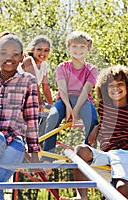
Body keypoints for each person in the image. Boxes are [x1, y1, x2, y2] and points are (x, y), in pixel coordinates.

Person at [61, 65, 128, 200]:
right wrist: (97, 127)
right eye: (111, 85)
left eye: (120, 84)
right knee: (80, 150)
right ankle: (82, 196)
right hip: (108, 155)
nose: (115, 88)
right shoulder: (104, 108)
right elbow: (111, 123)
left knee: (122, 188)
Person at [0, 34, 41, 200]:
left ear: (21, 58)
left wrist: (33, 151)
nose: (9, 57)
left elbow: (31, 118)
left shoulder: (28, 81)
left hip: (14, 140)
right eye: (4, 53)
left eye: (15, 54)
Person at [42, 31, 98, 164]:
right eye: (74, 46)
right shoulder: (62, 67)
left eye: (82, 47)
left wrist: (76, 109)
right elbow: (62, 90)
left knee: (92, 119)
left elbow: (86, 91)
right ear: (68, 49)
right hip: (64, 100)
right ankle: (47, 157)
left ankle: (88, 156)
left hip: (83, 100)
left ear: (88, 49)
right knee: (53, 116)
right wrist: (68, 107)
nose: (78, 50)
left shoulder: (92, 69)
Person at [18, 35, 53, 111]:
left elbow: (46, 88)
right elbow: (34, 84)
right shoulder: (28, 61)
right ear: (33, 50)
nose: (43, 53)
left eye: (46, 50)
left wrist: (53, 108)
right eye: (39, 49)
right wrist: (40, 103)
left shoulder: (44, 65)